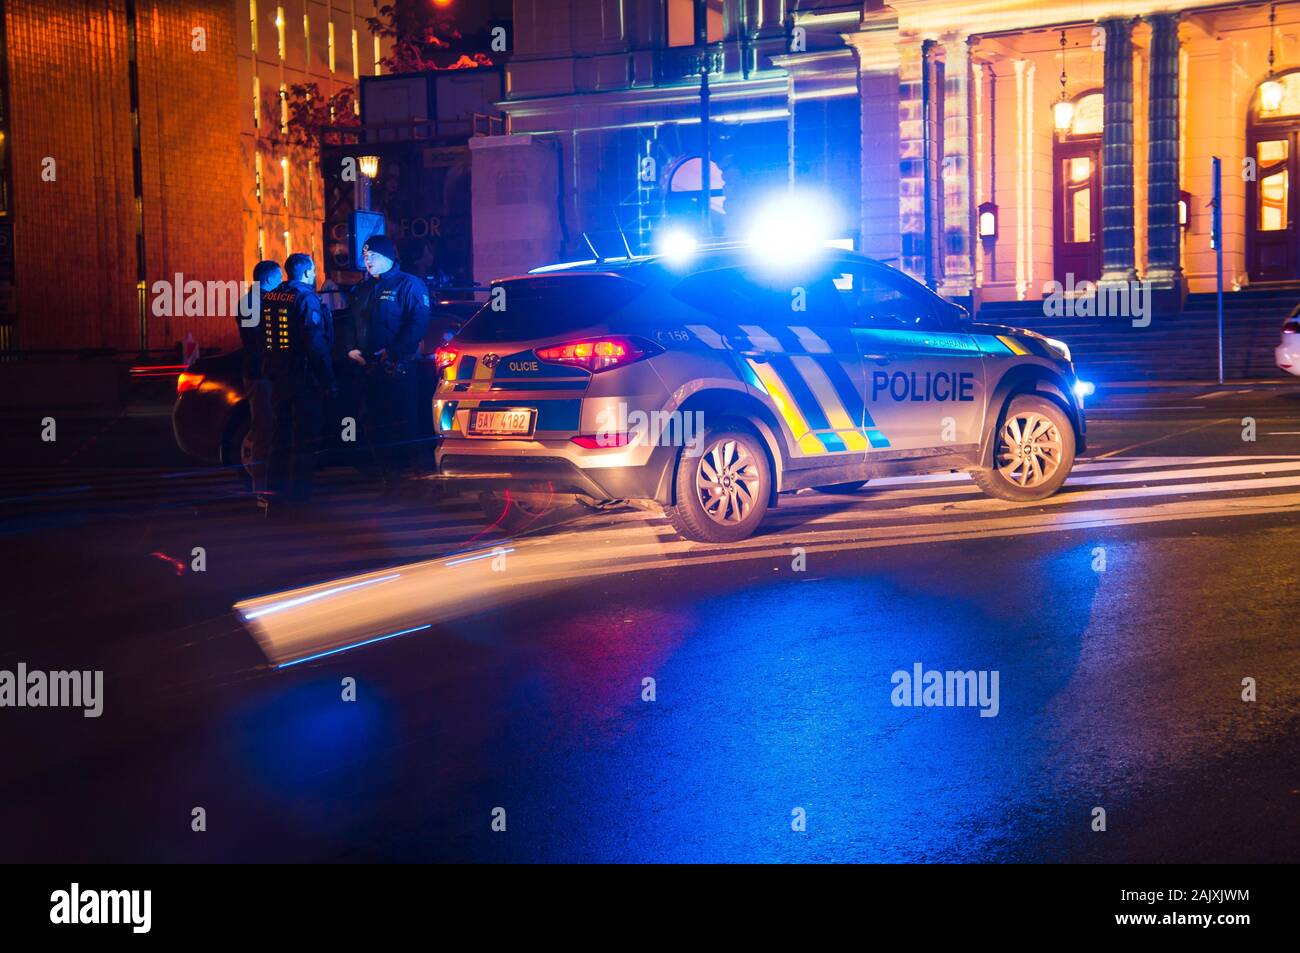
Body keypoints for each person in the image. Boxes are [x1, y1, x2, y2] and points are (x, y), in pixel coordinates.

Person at [348, 234, 432, 496]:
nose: (367, 261)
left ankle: (423, 481)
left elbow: (417, 324)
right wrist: (351, 349)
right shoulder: (361, 289)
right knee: (374, 425)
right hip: (368, 370)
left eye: (372, 256)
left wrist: (393, 352)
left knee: (406, 425)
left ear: (387, 257)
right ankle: (390, 479)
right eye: (364, 256)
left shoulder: (409, 285)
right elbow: (352, 323)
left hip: (399, 369)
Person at [262, 253, 337, 514]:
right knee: (304, 439)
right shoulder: (306, 298)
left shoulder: (273, 296)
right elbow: (314, 343)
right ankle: (299, 498)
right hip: (304, 378)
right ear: (307, 272)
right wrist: (328, 380)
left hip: (278, 376)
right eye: (314, 271)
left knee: (279, 436)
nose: (315, 276)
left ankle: (274, 496)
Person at [238, 260, 283, 509]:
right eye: (278, 278)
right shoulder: (255, 302)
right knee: (264, 429)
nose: (281, 283)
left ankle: (266, 487)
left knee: (267, 428)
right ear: (268, 279)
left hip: (261, 372)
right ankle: (261, 490)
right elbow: (259, 341)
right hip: (260, 373)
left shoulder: (254, 300)